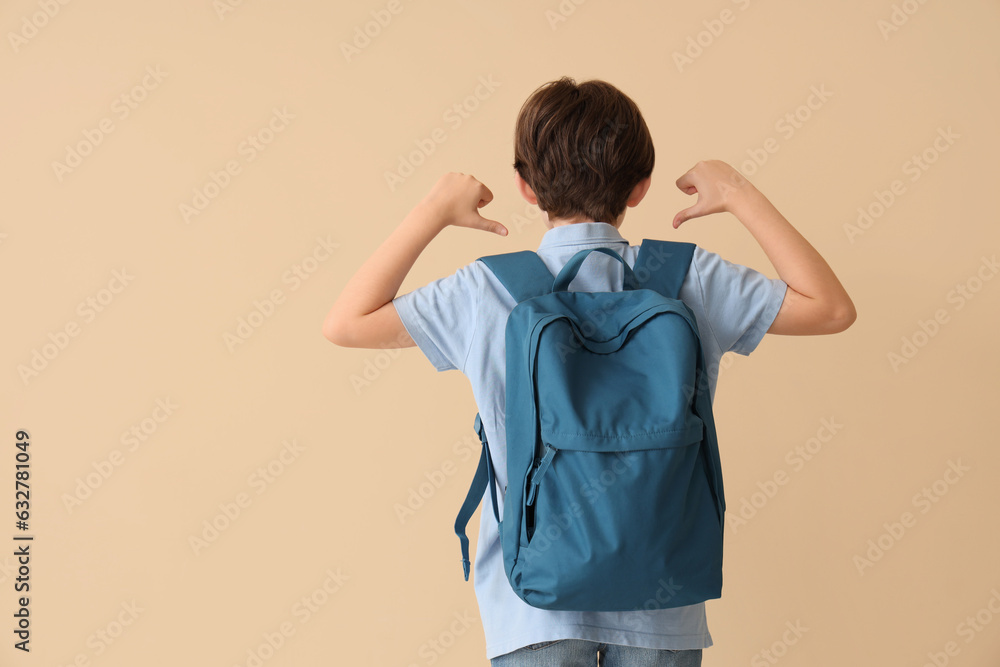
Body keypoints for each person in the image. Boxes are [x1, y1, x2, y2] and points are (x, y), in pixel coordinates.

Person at [323, 77, 856, 667]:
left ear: (525, 187)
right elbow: (830, 309)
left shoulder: (486, 290)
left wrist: (434, 211)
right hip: (663, 606)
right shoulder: (688, 276)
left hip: (531, 610)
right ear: (641, 187)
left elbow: (346, 323)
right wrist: (738, 192)